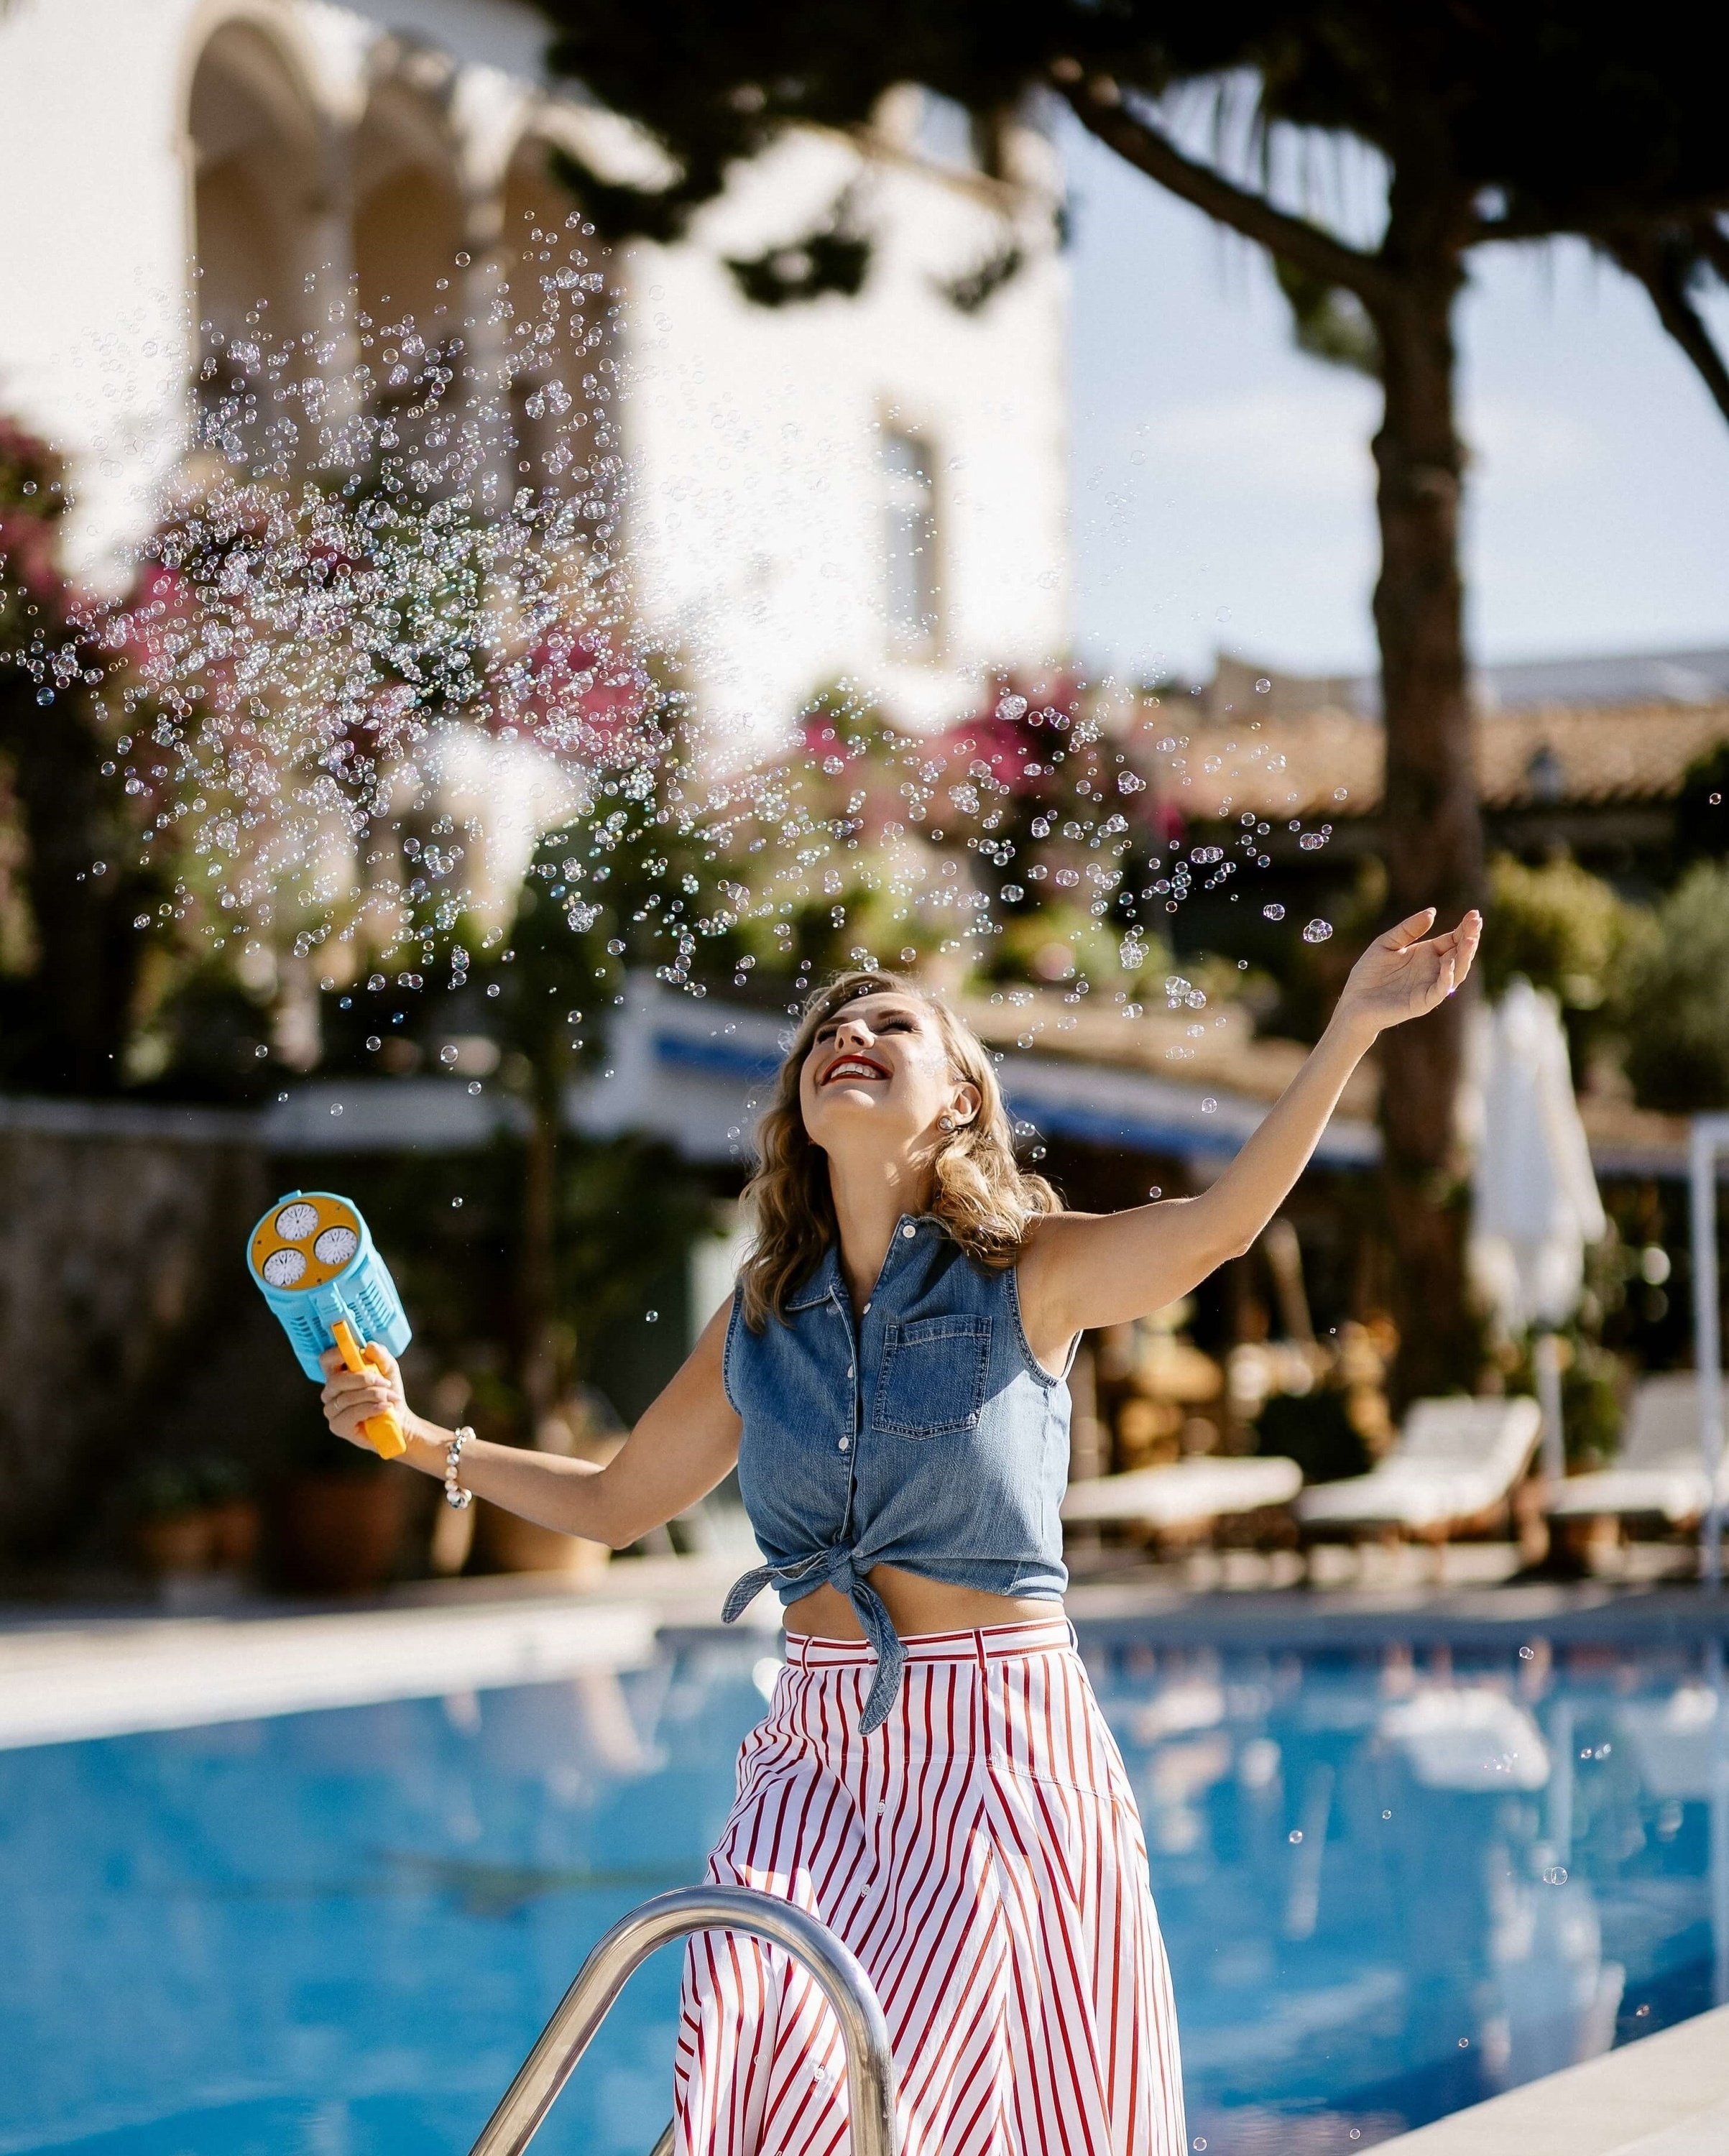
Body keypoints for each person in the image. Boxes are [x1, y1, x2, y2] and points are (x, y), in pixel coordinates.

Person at [321, 904, 1480, 2155]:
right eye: (831, 1026)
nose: (850, 1033)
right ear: (799, 1108)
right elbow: (617, 1503)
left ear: (959, 1107)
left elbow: (1220, 1226)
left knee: (951, 2097)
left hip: (997, 1752)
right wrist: (421, 1442)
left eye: (893, 1025)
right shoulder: (761, 1317)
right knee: (759, 2033)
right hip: (813, 1751)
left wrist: (1351, 1027)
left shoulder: (1027, 1273)